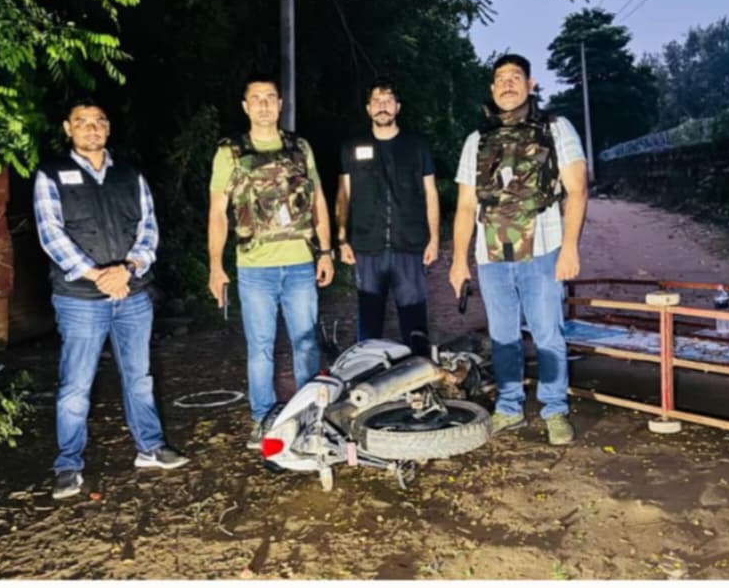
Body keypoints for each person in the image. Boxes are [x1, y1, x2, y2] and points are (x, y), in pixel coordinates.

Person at [34, 96, 189, 501]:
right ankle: (68, 465)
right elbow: (51, 235)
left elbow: (148, 229)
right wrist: (99, 277)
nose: (92, 128)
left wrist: (128, 269)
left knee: (139, 377)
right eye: (82, 121)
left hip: (132, 293)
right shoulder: (51, 175)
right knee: (75, 385)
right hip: (80, 298)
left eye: (99, 121)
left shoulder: (129, 175)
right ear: (68, 128)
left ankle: (150, 447)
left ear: (107, 126)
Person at [448, 54, 589, 446]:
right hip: (491, 256)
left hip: (542, 249)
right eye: (500, 78)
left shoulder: (555, 127)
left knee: (547, 333)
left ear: (530, 85)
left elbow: (577, 189)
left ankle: (555, 410)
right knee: (503, 336)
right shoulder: (476, 140)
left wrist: (570, 249)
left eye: (515, 77)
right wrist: (458, 260)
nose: (507, 84)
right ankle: (509, 407)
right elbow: (465, 206)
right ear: (492, 89)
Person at [207, 73, 335, 449]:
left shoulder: (300, 147)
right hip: (254, 268)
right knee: (260, 348)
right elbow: (217, 212)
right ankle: (262, 418)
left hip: (299, 264)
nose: (263, 105)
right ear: (245, 107)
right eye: (256, 98)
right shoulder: (230, 152)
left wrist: (325, 251)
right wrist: (216, 266)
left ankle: (310, 417)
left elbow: (317, 200)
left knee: (306, 344)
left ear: (280, 104)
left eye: (270, 98)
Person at [334, 77, 439, 354]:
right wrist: (342, 239)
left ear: (398, 107)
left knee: (414, 322)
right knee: (369, 325)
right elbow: (344, 195)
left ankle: (419, 372)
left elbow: (430, 193)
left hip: (410, 246)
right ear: (368, 108)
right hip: (367, 247)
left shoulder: (417, 146)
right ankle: (368, 375)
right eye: (377, 101)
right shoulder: (352, 147)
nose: (383, 106)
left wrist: (434, 239)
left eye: (388, 100)